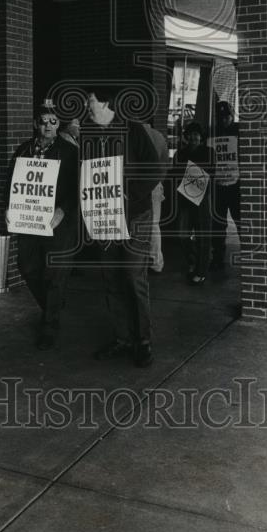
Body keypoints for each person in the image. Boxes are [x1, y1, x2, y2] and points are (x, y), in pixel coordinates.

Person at [81, 88, 167, 368]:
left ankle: (143, 341)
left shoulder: (132, 129)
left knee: (133, 276)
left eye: (90, 101)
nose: (86, 106)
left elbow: (155, 168)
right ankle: (122, 338)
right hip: (105, 217)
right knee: (111, 278)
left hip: (134, 216)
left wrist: (132, 194)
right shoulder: (89, 134)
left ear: (104, 103)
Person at [6, 102, 79, 349]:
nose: (48, 126)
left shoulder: (69, 152)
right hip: (30, 219)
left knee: (54, 273)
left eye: (53, 121)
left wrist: (63, 210)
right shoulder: (23, 151)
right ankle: (53, 306)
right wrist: (9, 208)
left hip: (59, 222)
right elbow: (12, 183)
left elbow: (77, 188)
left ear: (59, 125)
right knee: (26, 265)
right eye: (44, 121)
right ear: (35, 124)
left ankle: (50, 325)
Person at [173, 121, 215, 285]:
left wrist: (189, 174)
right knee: (182, 234)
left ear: (201, 137)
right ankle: (193, 260)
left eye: (197, 134)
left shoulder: (208, 152)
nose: (193, 137)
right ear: (186, 137)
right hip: (185, 197)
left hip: (202, 197)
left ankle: (201, 270)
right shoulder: (180, 153)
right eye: (191, 134)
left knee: (203, 236)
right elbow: (175, 174)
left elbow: (211, 172)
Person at [211, 100, 242, 270]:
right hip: (219, 185)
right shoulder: (214, 132)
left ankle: (246, 253)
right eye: (221, 117)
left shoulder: (239, 131)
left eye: (226, 117)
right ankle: (217, 257)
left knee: (239, 221)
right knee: (218, 224)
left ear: (231, 115)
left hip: (235, 184)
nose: (224, 120)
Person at [142, 120, 168, 274]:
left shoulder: (133, 135)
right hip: (156, 184)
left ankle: (143, 260)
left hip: (138, 184)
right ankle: (156, 262)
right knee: (154, 224)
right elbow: (165, 163)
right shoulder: (159, 136)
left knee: (138, 223)